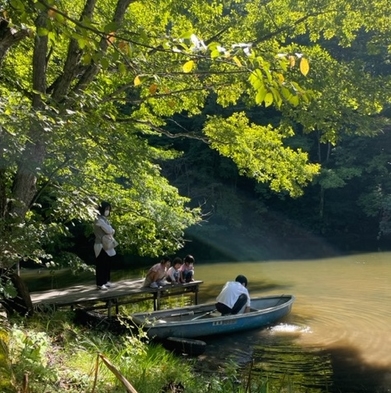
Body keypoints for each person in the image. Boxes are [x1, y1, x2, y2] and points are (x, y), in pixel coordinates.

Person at [93, 201, 118, 290]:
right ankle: (100, 283)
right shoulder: (98, 219)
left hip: (107, 244)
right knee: (101, 264)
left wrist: (111, 230)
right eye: (106, 209)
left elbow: (110, 230)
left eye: (108, 209)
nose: (107, 211)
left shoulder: (104, 219)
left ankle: (106, 281)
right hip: (100, 245)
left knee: (107, 263)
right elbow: (109, 230)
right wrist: (112, 230)